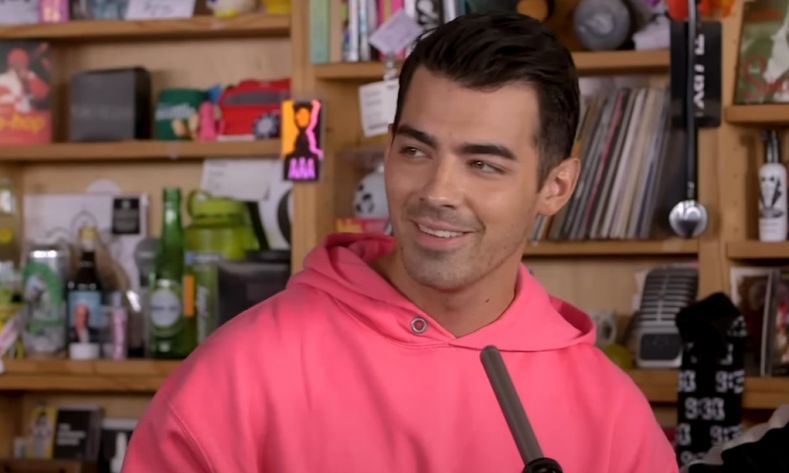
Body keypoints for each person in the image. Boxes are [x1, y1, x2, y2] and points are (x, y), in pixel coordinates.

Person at [123, 12, 678, 473]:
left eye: (483, 164)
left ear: (555, 187)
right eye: (416, 151)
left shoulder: (613, 416)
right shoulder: (237, 375)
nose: (438, 192)